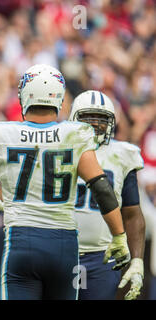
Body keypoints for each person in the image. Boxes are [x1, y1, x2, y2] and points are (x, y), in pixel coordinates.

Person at [0, 64, 131, 300]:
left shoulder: (0, 133)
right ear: (59, 97)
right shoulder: (75, 134)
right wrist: (118, 235)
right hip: (64, 246)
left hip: (22, 242)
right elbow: (101, 187)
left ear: (24, 95)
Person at [69, 90, 146, 300]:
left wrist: (137, 261)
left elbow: (132, 212)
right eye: (88, 118)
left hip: (103, 255)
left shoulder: (122, 154)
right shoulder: (59, 149)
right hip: (60, 251)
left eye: (101, 119)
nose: (94, 125)